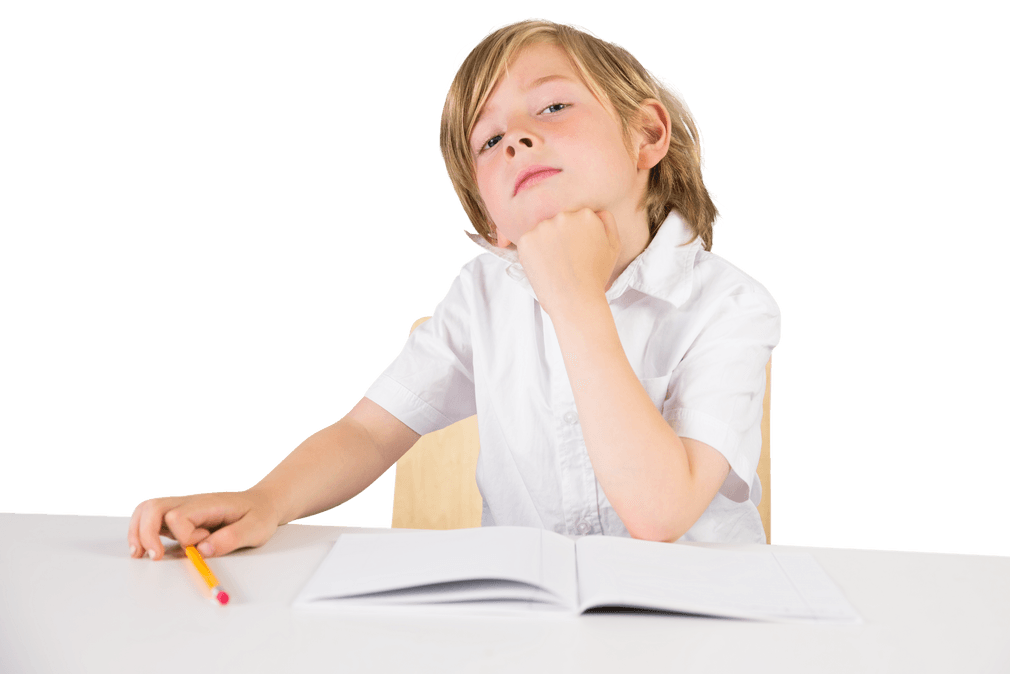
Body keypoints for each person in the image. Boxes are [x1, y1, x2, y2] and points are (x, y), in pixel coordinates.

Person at [128, 17, 782, 561]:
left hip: (698, 630)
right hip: (531, 627)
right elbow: (367, 433)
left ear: (647, 135)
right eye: (490, 139)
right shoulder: (483, 293)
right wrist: (266, 500)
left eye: (554, 106)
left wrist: (574, 299)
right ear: (492, 224)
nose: (519, 138)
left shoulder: (730, 306)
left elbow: (660, 514)